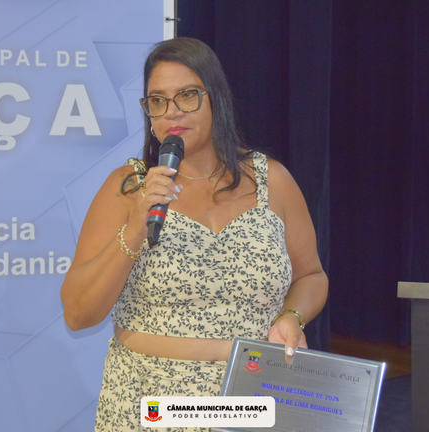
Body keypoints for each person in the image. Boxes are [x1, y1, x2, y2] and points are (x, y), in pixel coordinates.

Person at [60, 37, 328, 432]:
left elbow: (311, 276)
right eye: (157, 100)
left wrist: (291, 316)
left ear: (215, 99)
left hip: (253, 400)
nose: (172, 111)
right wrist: (134, 229)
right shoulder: (129, 187)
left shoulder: (272, 180)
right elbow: (78, 314)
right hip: (152, 406)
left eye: (187, 96)